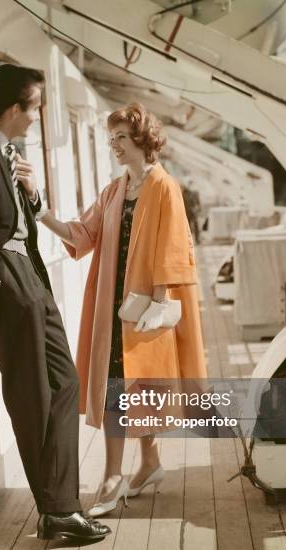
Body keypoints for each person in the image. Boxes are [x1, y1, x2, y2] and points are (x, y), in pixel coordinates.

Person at [0, 64, 110, 540]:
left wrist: (31, 196)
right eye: (34, 107)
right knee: (34, 396)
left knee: (65, 383)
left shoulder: (4, 151)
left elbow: (11, 217)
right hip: (10, 280)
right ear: (15, 109)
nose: (37, 117)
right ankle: (58, 511)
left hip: (32, 275)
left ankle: (60, 504)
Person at [39, 102, 207, 516]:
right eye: (111, 138)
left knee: (137, 382)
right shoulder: (115, 191)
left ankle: (129, 470)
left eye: (121, 138)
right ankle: (132, 468)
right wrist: (40, 212)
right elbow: (83, 234)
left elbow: (173, 246)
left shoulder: (164, 186)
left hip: (147, 305)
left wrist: (160, 303)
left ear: (142, 140)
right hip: (113, 305)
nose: (114, 145)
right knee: (121, 380)